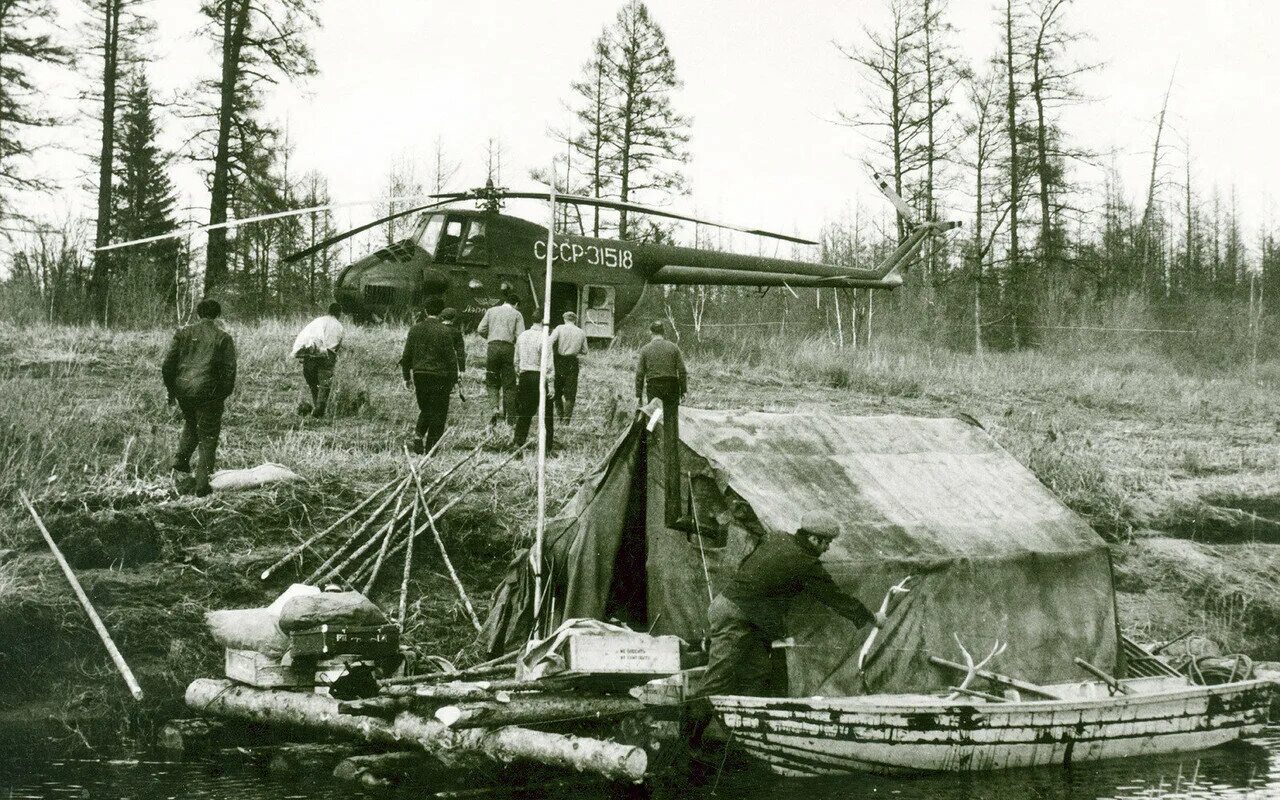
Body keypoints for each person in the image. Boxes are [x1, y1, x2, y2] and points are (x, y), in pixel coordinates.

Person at [700, 511, 884, 699]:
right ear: (813, 538)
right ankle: (690, 729)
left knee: (757, 672)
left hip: (734, 609)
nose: (827, 548)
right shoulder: (805, 562)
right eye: (826, 543)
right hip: (736, 615)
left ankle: (741, 725)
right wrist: (871, 617)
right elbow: (835, 597)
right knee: (716, 683)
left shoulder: (777, 537)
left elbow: (748, 564)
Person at [162, 298, 237, 497]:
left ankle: (181, 458)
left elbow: (168, 365)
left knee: (192, 421)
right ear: (217, 315)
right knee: (208, 437)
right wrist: (222, 394)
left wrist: (172, 390)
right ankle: (202, 486)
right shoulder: (223, 337)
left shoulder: (182, 333)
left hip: (183, 391)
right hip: (208, 394)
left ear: (198, 313)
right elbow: (230, 372)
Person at [635, 320, 688, 517]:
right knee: (672, 419)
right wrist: (683, 390)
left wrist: (637, 394)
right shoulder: (673, 347)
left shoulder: (646, 349)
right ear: (664, 332)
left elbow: (640, 373)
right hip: (672, 385)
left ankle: (651, 441)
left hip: (654, 385)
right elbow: (682, 370)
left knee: (655, 416)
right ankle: (672, 445)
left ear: (651, 332)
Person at [400, 299, 461, 454]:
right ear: (441, 312)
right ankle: (431, 450)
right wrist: (454, 379)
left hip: (420, 374)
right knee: (439, 413)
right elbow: (451, 358)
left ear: (426, 311)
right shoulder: (445, 331)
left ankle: (418, 436)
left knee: (426, 408)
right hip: (440, 376)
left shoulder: (414, 329)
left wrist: (406, 376)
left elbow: (406, 355)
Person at [476, 290, 524, 428]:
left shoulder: (491, 310)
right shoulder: (517, 314)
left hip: (492, 347)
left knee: (492, 381)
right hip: (508, 348)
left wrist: (490, 338)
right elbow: (520, 336)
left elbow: (480, 329)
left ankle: (494, 408)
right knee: (509, 384)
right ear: (515, 304)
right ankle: (511, 419)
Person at [291, 302, 344, 418]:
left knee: (313, 383)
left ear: (329, 311)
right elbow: (337, 345)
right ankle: (319, 407)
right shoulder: (339, 326)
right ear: (339, 313)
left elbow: (307, 336)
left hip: (312, 355)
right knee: (324, 383)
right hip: (328, 355)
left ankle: (317, 406)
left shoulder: (318, 321)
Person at [511, 319, 557, 453]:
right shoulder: (545, 338)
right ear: (543, 322)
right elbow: (548, 365)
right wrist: (551, 384)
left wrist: (520, 377)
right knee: (547, 413)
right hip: (540, 377)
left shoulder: (522, 336)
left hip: (525, 376)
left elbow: (516, 360)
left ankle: (518, 443)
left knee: (524, 412)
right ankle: (547, 448)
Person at [553, 311, 588, 422]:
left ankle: (560, 416)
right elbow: (585, 351)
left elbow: (549, 341)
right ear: (575, 320)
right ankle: (567, 419)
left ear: (564, 319)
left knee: (557, 390)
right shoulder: (581, 332)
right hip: (572, 362)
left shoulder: (559, 328)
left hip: (559, 361)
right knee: (571, 391)